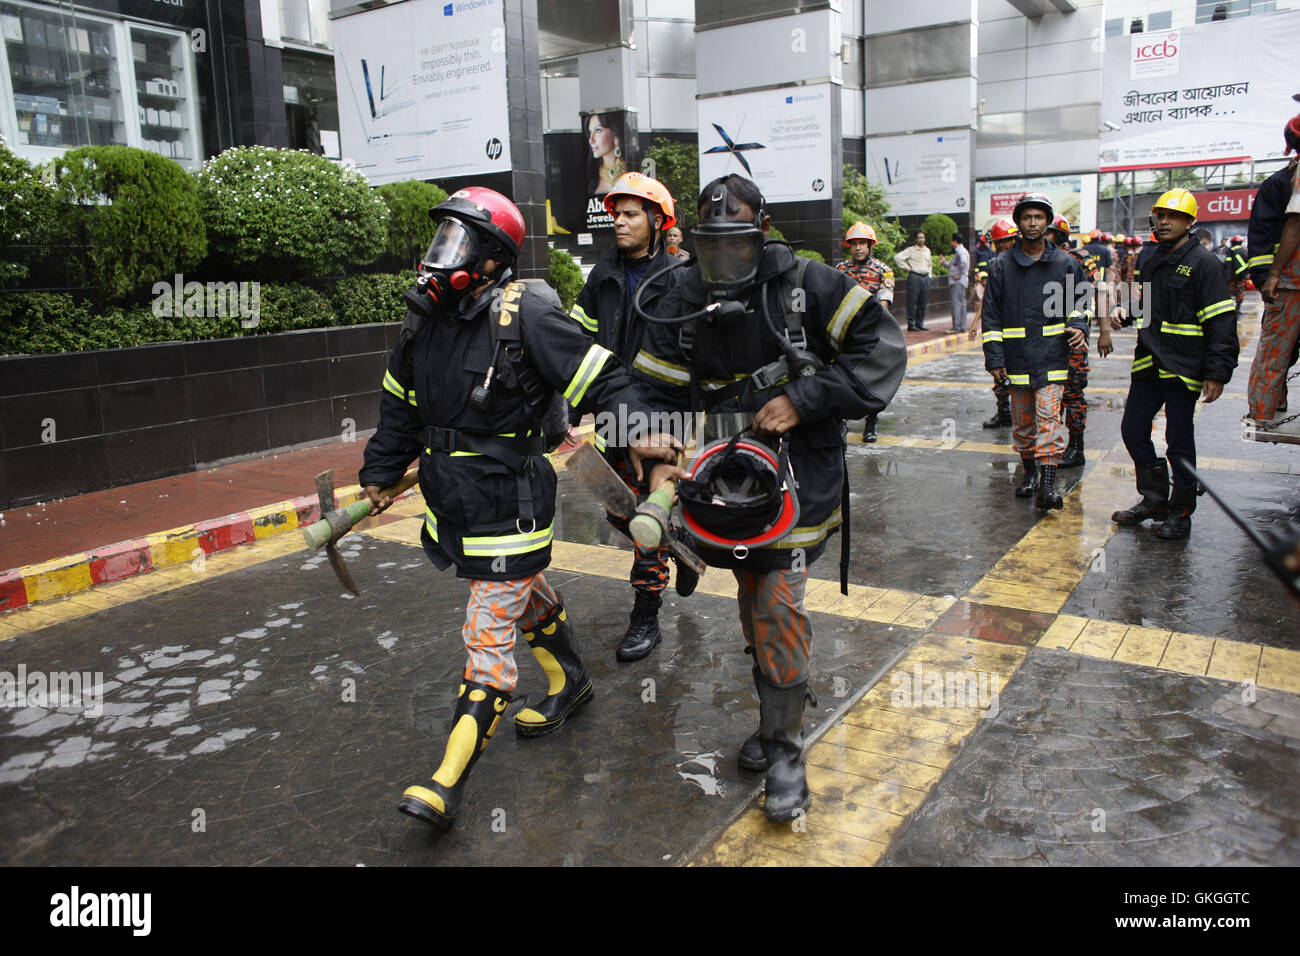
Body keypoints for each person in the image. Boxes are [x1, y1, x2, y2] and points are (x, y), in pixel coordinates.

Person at [361, 186, 677, 829]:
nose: (438, 255)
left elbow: (604, 376)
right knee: (523, 590)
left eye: (455, 243)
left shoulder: (523, 314)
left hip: (512, 500)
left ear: (490, 258)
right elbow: (399, 408)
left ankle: (445, 782)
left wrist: (640, 424)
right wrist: (380, 472)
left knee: (488, 628)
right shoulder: (422, 323)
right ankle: (572, 683)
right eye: (438, 239)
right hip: (452, 502)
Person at [630, 174, 907, 824]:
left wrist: (806, 399)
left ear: (763, 231)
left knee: (778, 607)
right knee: (755, 603)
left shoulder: (809, 285)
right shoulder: (679, 293)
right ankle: (771, 715)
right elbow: (652, 384)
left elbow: (883, 349)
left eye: (736, 243)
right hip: (719, 482)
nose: (722, 259)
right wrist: (649, 430)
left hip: (794, 475)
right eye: (710, 244)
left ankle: (785, 751)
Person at [570, 172, 696, 661]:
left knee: (644, 515)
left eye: (629, 214)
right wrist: (569, 403)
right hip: (611, 410)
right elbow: (578, 343)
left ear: (657, 221)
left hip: (662, 419)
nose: (617, 221)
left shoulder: (682, 279)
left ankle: (646, 617)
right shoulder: (601, 277)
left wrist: (686, 429)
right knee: (616, 510)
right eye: (615, 213)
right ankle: (677, 542)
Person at [1111, 188, 1238, 539]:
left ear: (1189, 222)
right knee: (1133, 430)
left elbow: (1222, 322)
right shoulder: (1152, 260)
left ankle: (1180, 511)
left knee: (1178, 439)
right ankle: (1153, 498)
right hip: (1150, 362)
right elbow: (1146, 304)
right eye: (1161, 215)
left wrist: (1217, 372)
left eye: (1174, 216)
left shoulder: (1205, 264)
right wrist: (1127, 310)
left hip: (1185, 366)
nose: (1165, 221)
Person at [982, 193, 1089, 511]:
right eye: (1027, 217)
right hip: (1015, 358)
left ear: (1048, 222)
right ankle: (1029, 474)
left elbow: (1080, 302)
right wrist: (995, 358)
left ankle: (1047, 485)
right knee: (1024, 422)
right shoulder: (1001, 266)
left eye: (1039, 217)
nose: (1033, 223)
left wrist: (1079, 326)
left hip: (1052, 356)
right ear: (1018, 223)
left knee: (1048, 419)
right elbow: (991, 315)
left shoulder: (1066, 263)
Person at [1245, 115, 1300, 433]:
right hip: (1287, 283)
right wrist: (1269, 278)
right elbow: (1266, 236)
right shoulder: (1279, 184)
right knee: (1280, 350)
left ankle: (1266, 404)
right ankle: (1266, 406)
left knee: (1278, 349)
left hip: (1287, 281)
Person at [1046, 215, 1112, 468]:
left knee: (1072, 393)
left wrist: (1104, 331)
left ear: (1060, 235)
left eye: (1049, 231)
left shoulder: (1080, 259)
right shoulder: (1037, 259)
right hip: (1044, 340)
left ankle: (1075, 448)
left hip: (1072, 338)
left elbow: (1101, 290)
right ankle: (1049, 445)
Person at [837, 221, 896, 442]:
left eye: (862, 243)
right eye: (854, 244)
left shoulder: (884, 271)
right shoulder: (841, 269)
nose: (858, 247)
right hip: (845, 331)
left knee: (872, 378)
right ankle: (841, 423)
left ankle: (871, 423)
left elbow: (885, 302)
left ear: (870, 245)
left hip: (872, 332)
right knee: (842, 376)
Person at [979, 217, 1018, 429]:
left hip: (1023, 331)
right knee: (1000, 375)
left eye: (1008, 241)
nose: (1004, 246)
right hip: (1002, 330)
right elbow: (990, 306)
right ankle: (1004, 413)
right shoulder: (994, 266)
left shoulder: (1026, 263)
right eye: (1000, 242)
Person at [894, 229, 932, 331]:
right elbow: (897, 258)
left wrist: (930, 275)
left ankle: (920, 323)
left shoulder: (927, 250)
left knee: (923, 302)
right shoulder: (910, 250)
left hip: (925, 277)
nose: (921, 239)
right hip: (915, 277)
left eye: (923, 237)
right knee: (912, 301)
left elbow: (930, 264)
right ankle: (911, 324)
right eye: (919, 238)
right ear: (915, 239)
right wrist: (907, 267)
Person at [585, 111, 626, 197]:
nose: (591, 140)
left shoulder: (629, 171)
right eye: (590, 132)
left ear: (614, 133)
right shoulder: (591, 176)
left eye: (598, 130)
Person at [947, 234, 970, 333]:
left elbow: (964, 263)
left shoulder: (961, 252)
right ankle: (962, 326)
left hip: (958, 282)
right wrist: (944, 262)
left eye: (951, 240)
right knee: (962, 304)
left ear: (954, 241)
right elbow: (952, 264)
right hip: (961, 281)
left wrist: (959, 274)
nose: (950, 243)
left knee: (956, 304)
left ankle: (956, 326)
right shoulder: (959, 252)